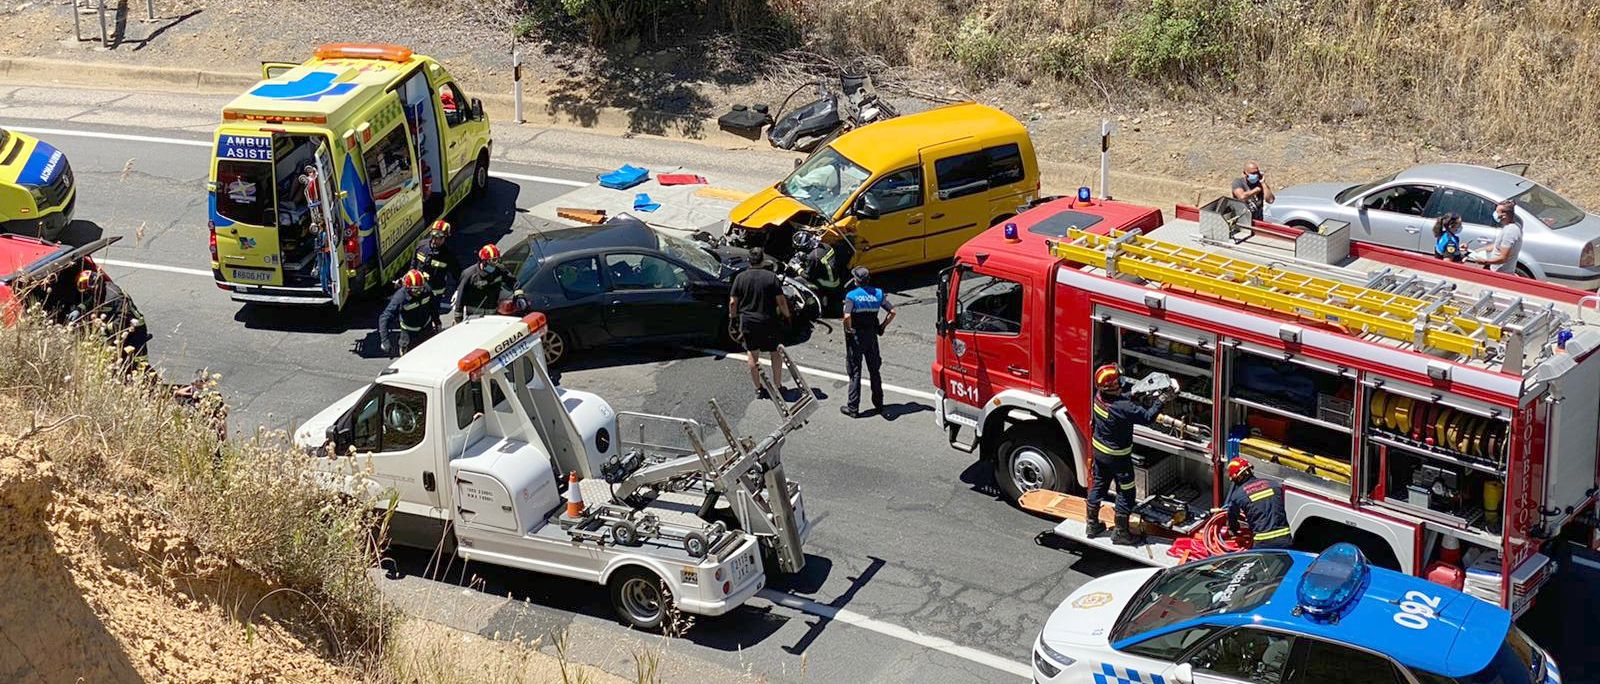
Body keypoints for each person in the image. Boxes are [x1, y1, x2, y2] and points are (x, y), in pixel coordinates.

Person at [1085, 364, 1171, 545]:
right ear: (1112, 386)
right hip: (1118, 458)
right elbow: (1147, 417)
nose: (1122, 382)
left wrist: (1134, 394)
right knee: (1126, 491)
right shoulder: (1123, 407)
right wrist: (1162, 399)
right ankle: (1121, 533)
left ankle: (1092, 524)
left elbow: (1120, 401)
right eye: (1119, 381)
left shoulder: (1099, 396)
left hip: (1100, 452)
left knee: (1099, 484)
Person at [728, 247, 791, 399]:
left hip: (748, 322)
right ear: (763, 260)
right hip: (768, 321)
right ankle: (778, 385)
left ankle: (758, 388)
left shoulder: (740, 278)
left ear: (748, 261)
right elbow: (781, 301)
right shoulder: (771, 277)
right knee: (775, 353)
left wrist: (733, 319)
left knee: (752, 353)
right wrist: (787, 315)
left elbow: (733, 302)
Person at [840, 266, 895, 418]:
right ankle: (879, 404)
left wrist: (849, 329)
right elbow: (892, 312)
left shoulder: (852, 295)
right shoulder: (878, 293)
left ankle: (853, 408)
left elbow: (846, 316)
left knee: (855, 372)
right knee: (874, 371)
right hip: (871, 337)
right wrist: (882, 326)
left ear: (856, 281)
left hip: (856, 338)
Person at [71, 269, 150, 362]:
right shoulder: (100, 292)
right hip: (119, 331)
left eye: (88, 291)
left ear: (95, 287)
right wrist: (79, 309)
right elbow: (91, 300)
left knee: (138, 360)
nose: (87, 293)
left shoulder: (114, 296)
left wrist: (106, 329)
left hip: (135, 331)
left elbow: (123, 318)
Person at [1224, 457, 1293, 549]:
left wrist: (1234, 530)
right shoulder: (1274, 484)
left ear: (1239, 477)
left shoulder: (1238, 495)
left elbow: (1232, 518)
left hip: (1263, 542)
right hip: (1285, 539)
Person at [451, 244, 527, 323]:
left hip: (492, 315)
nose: (495, 263)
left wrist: (519, 296)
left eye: (497, 260)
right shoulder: (469, 275)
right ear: (483, 261)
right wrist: (458, 318)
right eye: (493, 260)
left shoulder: (499, 270)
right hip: (473, 316)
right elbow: (460, 297)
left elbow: (513, 282)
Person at [378, 269, 439, 356]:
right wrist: (385, 341)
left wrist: (437, 322)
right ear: (407, 287)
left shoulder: (426, 289)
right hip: (409, 334)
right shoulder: (400, 297)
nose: (419, 292)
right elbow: (384, 317)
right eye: (415, 290)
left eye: (421, 288)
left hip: (426, 329)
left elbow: (433, 306)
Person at [413, 220, 459, 309]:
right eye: (433, 236)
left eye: (439, 238)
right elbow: (413, 265)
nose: (434, 240)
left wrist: (458, 291)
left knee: (433, 312)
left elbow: (458, 275)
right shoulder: (421, 247)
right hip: (419, 290)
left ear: (445, 238)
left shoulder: (448, 255)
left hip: (435, 293)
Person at [1475, 200, 1524, 275]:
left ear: (1504, 215)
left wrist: (1484, 261)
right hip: (1496, 271)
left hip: (1501, 273)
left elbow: (1503, 258)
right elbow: (1499, 245)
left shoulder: (1510, 231)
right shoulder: (1511, 226)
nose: (1495, 214)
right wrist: (1480, 250)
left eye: (1497, 212)